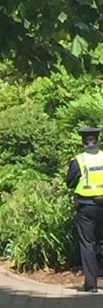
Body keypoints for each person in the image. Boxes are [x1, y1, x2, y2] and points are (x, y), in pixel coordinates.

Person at [66, 125, 103, 293]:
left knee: (87, 244)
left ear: (83, 141)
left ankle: (91, 285)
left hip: (86, 206)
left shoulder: (79, 160)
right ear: (97, 139)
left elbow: (70, 182)